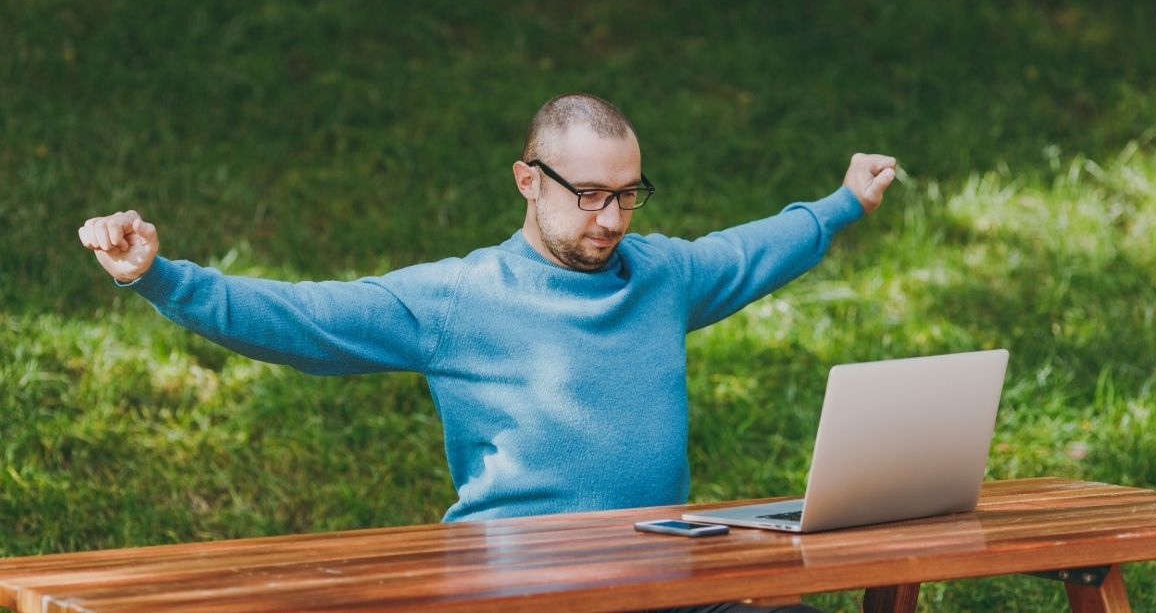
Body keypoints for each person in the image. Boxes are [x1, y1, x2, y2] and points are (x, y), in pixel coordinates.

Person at [79, 92, 895, 612]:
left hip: (664, 583)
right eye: (588, 195)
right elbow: (303, 318)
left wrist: (841, 203)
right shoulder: (457, 299)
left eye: (627, 195)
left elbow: (752, 249)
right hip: (521, 589)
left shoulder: (662, 276)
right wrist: (160, 276)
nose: (611, 218)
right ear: (527, 180)